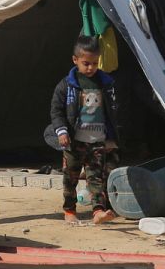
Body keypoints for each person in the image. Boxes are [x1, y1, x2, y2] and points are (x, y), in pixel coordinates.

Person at [49, 35, 120, 224]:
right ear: (75, 60)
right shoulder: (67, 85)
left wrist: (111, 138)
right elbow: (56, 110)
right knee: (70, 178)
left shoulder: (106, 84)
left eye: (95, 63)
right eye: (86, 63)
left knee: (97, 178)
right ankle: (70, 210)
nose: (90, 68)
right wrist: (62, 131)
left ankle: (98, 211)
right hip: (74, 141)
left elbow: (112, 113)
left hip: (97, 140)